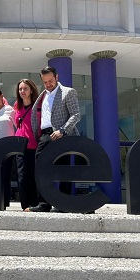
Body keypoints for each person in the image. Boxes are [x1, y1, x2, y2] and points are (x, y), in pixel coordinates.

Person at [26, 66, 80, 213]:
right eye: (45, 82)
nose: (48, 84)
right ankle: (44, 204)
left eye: (50, 80)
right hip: (45, 136)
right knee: (41, 169)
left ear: (56, 77)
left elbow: (76, 115)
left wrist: (62, 130)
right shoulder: (42, 96)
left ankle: (64, 204)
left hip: (63, 135)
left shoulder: (68, 92)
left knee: (64, 170)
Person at [14, 79, 39, 210]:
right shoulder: (17, 106)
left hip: (34, 146)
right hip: (20, 146)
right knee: (22, 176)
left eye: (25, 89)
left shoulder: (37, 107)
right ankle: (25, 205)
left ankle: (35, 204)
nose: (22, 91)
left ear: (31, 90)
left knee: (33, 175)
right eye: (20, 89)